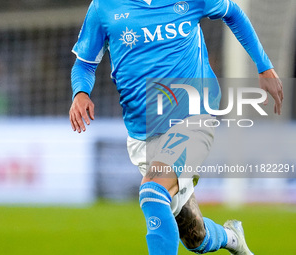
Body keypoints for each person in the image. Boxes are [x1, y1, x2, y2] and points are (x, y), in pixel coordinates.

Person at [69, 0, 284, 254]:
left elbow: (233, 13)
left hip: (193, 116)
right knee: (195, 236)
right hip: (143, 132)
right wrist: (80, 92)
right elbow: (84, 63)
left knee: (153, 191)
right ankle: (231, 237)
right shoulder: (104, 6)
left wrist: (265, 66)